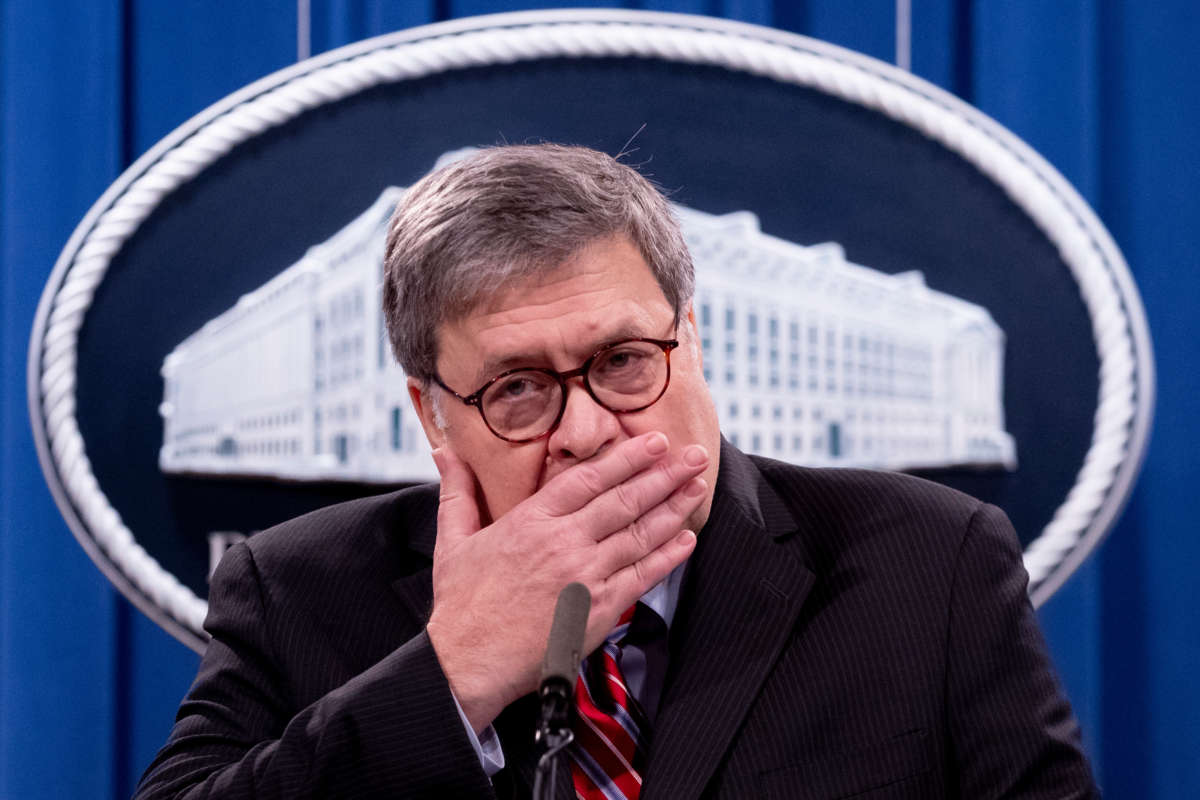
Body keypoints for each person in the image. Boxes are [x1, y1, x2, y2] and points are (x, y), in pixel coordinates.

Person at [135, 144, 1098, 799]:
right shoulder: (295, 586)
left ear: (693, 339)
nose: (590, 431)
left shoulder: (932, 563)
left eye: (624, 362)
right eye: (518, 388)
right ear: (433, 412)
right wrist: (453, 675)